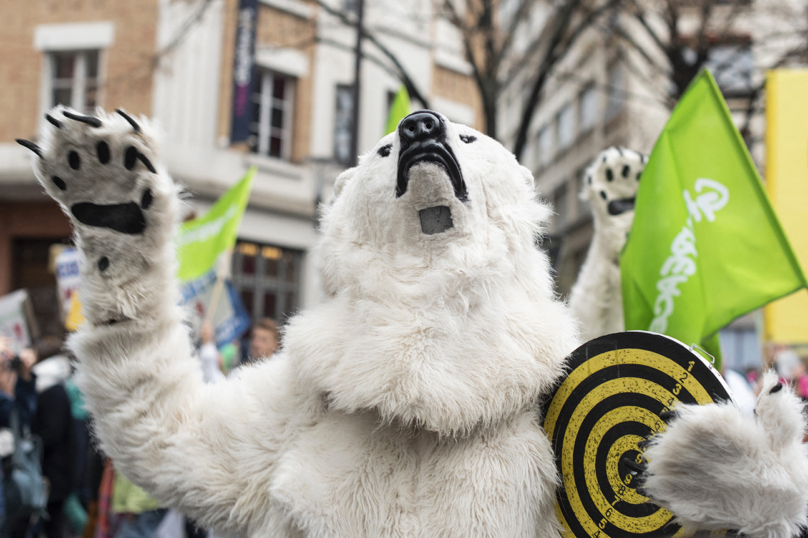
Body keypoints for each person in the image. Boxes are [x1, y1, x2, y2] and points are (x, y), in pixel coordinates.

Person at [31, 336, 75, 538]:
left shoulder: (52, 391)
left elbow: (51, 432)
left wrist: (30, 440)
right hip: (56, 470)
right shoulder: (55, 387)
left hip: (53, 472)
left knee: (54, 525)